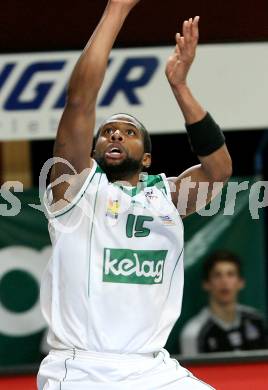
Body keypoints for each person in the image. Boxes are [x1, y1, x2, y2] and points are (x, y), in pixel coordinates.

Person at [37, 0, 232, 389]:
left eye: (128, 132)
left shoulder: (167, 196)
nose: (115, 134)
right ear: (91, 152)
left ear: (146, 158)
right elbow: (79, 101)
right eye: (108, 131)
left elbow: (219, 170)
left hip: (152, 368)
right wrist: (117, 10)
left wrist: (179, 86)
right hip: (82, 369)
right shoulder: (73, 191)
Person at [180, 251, 268, 355]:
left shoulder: (257, 321)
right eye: (217, 275)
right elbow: (191, 371)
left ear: (241, 282)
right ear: (206, 284)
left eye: (230, 274)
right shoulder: (194, 333)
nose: (224, 281)